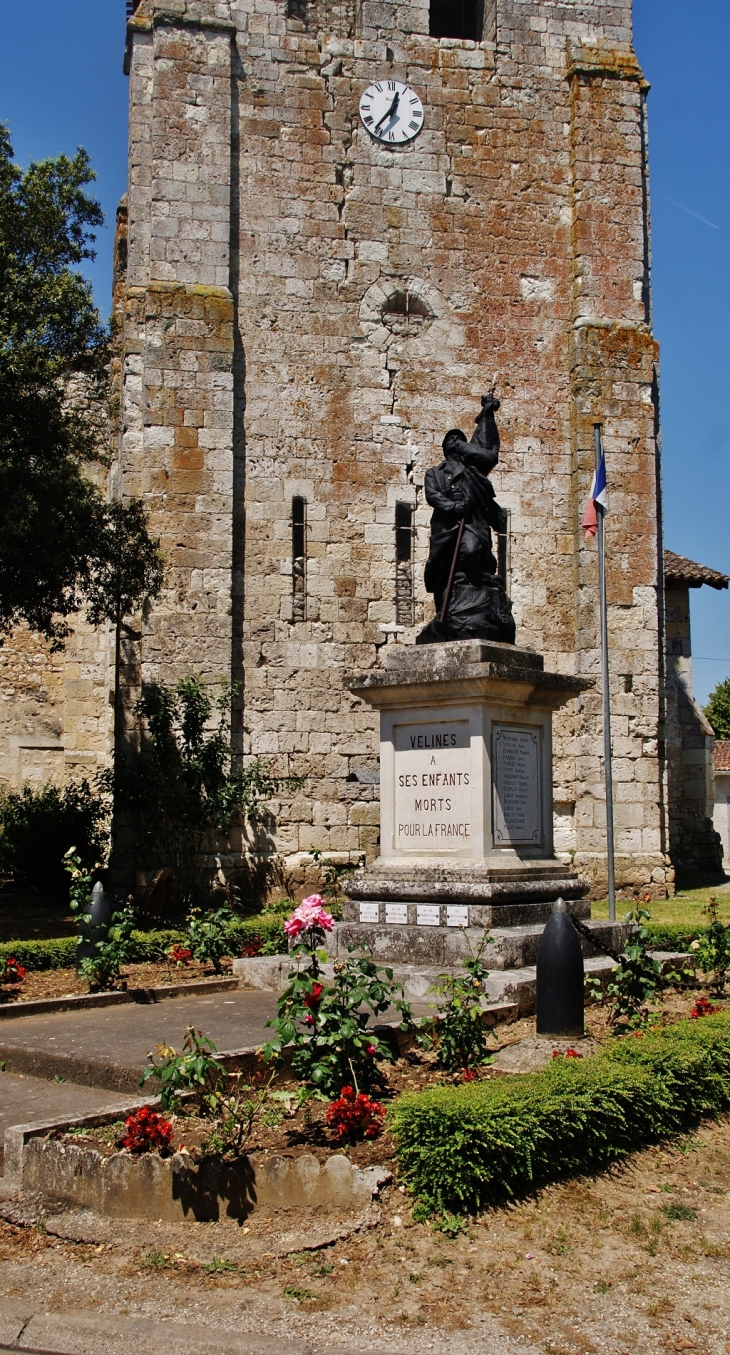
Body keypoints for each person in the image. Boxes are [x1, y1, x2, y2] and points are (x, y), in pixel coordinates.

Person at [417, 395, 516, 644]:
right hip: (448, 526)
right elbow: (432, 496)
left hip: (473, 521)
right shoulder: (435, 473)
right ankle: (446, 609)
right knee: (442, 567)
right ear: (444, 447)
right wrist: (454, 506)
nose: (455, 440)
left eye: (459, 438)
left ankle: (475, 603)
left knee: (476, 550)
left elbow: (487, 450)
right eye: (451, 439)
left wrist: (486, 413)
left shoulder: (472, 469)